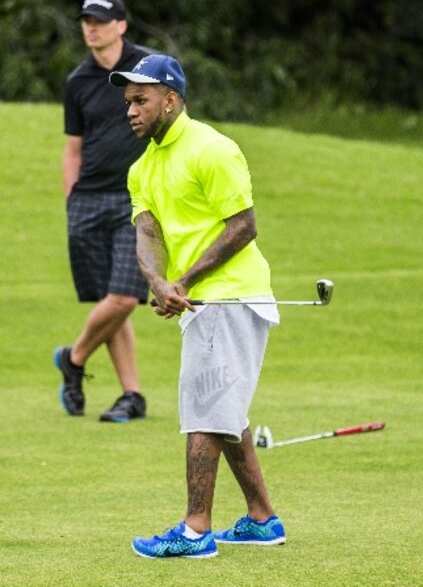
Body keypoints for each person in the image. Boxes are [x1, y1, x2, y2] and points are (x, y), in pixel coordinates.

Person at [109, 54, 285, 558]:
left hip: (231, 296)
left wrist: (181, 280)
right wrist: (158, 281)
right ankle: (262, 518)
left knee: (205, 409)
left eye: (141, 100)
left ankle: (195, 530)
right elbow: (147, 232)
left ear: (171, 99)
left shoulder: (213, 149)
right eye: (128, 102)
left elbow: (244, 225)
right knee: (224, 407)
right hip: (200, 302)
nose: (132, 111)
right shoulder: (143, 167)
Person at [55, 0, 153, 423]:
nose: (91, 27)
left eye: (99, 20)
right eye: (85, 21)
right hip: (88, 199)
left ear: (122, 26)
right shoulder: (78, 81)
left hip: (137, 199)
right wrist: (70, 198)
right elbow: (72, 148)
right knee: (112, 296)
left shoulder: (148, 68)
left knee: (126, 297)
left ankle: (73, 358)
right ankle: (131, 394)